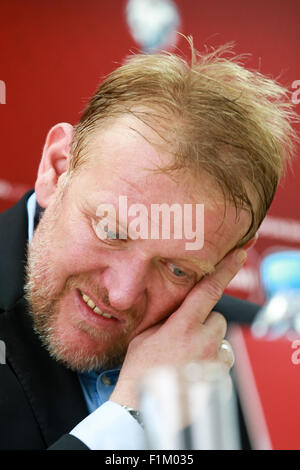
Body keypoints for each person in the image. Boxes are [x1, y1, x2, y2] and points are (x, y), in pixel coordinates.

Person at [0, 40, 297, 450]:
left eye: (177, 269)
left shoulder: (268, 361)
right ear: (56, 169)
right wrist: (131, 417)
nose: (121, 295)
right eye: (111, 231)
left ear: (228, 259)